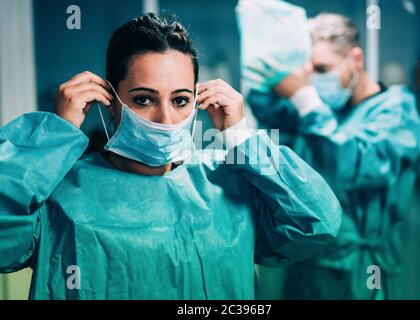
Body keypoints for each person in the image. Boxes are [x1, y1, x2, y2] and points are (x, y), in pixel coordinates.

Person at [0, 13, 341, 300]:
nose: (165, 119)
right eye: (143, 100)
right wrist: (54, 135)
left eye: (180, 100)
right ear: (109, 98)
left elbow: (316, 224)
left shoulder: (227, 186)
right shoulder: (58, 194)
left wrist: (241, 136)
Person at [246, 13, 420, 299]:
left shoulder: (395, 109)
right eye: (307, 72)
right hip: (308, 262)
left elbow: (353, 163)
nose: (313, 81)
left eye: (321, 68)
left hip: (362, 271)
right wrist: (270, 72)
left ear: (356, 59)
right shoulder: (322, 113)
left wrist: (306, 99)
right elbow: (270, 110)